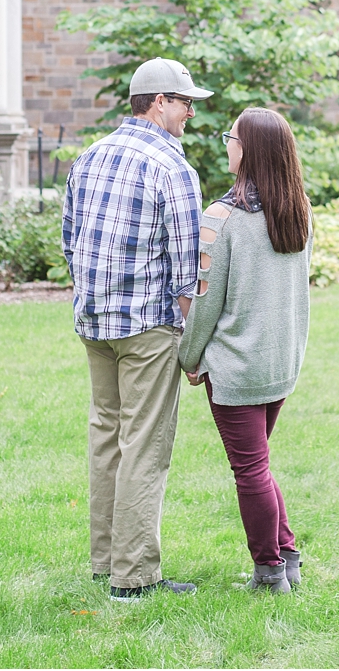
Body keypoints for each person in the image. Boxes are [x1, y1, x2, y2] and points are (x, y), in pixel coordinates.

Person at [62, 57, 210, 602]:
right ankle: (135, 576)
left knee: (107, 436)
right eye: (184, 101)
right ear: (156, 103)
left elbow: (70, 241)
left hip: (94, 322)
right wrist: (194, 346)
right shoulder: (173, 169)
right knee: (144, 444)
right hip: (147, 327)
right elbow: (185, 268)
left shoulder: (89, 157)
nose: (191, 111)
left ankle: (105, 563)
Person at [178, 106, 312, 595]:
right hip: (280, 365)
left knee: (250, 469)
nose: (226, 144)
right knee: (259, 463)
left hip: (236, 367)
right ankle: (288, 557)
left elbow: (205, 302)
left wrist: (189, 360)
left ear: (248, 149)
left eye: (229, 137)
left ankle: (269, 572)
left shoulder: (223, 218)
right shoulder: (298, 210)